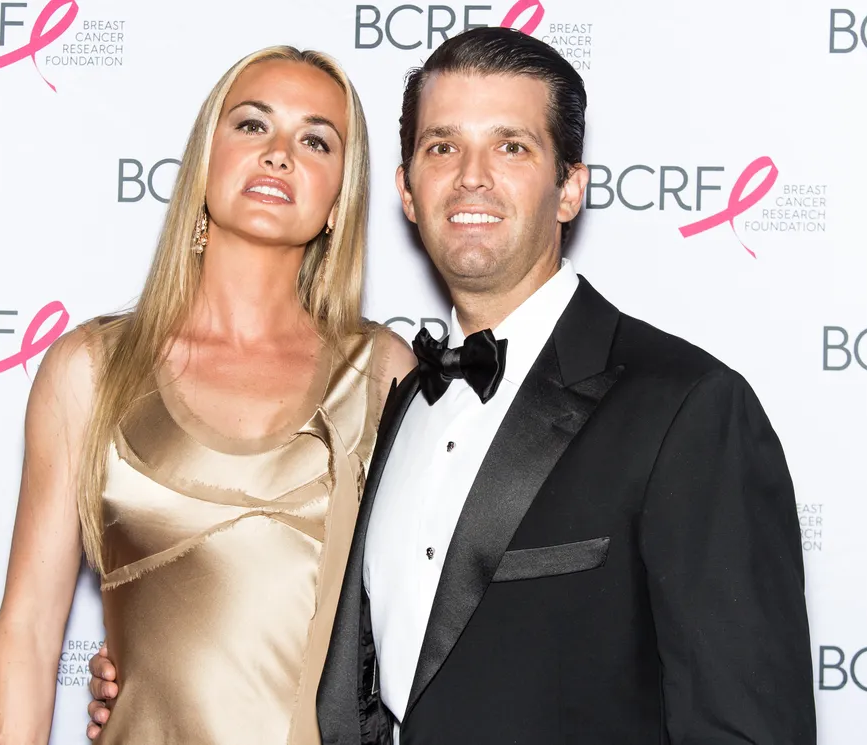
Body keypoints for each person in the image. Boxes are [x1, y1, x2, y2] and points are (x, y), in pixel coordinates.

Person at [88, 27, 817, 744]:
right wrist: (161, 675)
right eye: (442, 147)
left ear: (570, 189)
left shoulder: (686, 407)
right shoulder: (395, 394)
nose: (472, 176)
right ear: (406, 190)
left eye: (511, 146)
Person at [0, 46, 414, 745]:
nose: (279, 154)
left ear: (340, 199)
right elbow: (31, 627)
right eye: (252, 125)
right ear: (203, 160)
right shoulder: (90, 368)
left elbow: (419, 618)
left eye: (315, 140)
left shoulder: (383, 370)